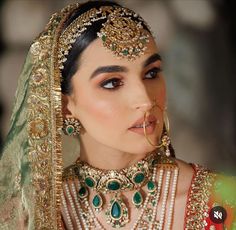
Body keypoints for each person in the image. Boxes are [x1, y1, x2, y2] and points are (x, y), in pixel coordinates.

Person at [0, 1, 235, 229]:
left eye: (151, 73)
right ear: (64, 106)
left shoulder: (222, 203)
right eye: (112, 83)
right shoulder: (28, 217)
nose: (144, 100)